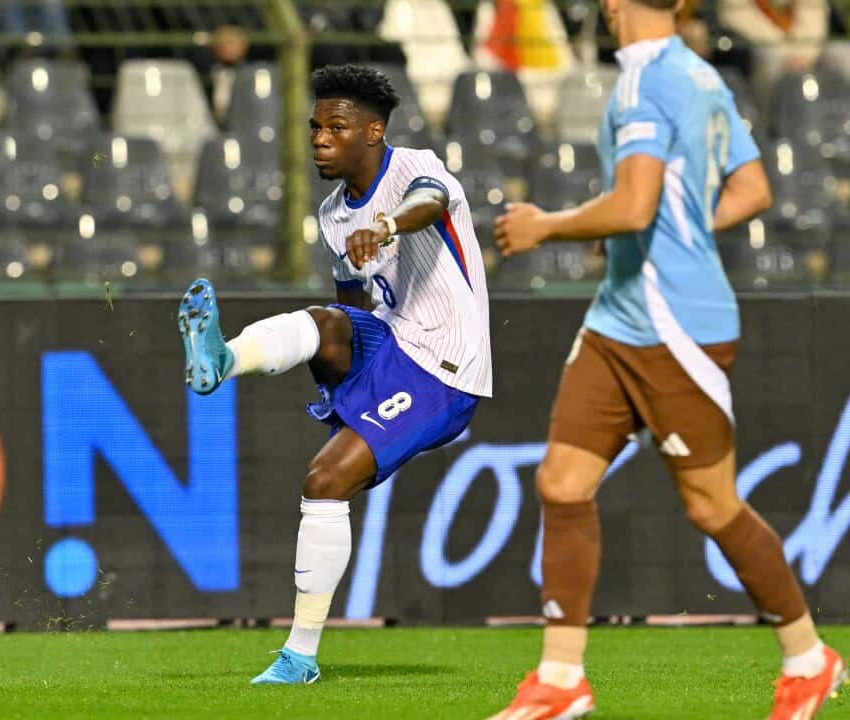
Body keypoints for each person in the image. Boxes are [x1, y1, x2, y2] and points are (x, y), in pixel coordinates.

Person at [488, 1, 845, 718]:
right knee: (562, 483)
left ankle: (809, 658)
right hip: (620, 317)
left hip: (675, 326)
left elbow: (634, 208)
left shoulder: (644, 78)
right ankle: (561, 683)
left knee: (712, 504)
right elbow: (751, 190)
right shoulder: (702, 76)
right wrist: (669, 223)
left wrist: (547, 225)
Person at [177, 64, 491, 685]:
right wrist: (339, 366)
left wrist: (387, 225)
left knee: (323, 481)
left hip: (447, 367)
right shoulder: (330, 214)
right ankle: (222, 360)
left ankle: (299, 658)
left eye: (336, 127)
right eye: (316, 126)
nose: (320, 138)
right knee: (324, 318)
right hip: (392, 343)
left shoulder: (415, 169)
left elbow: (429, 202)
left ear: (373, 133)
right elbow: (353, 313)